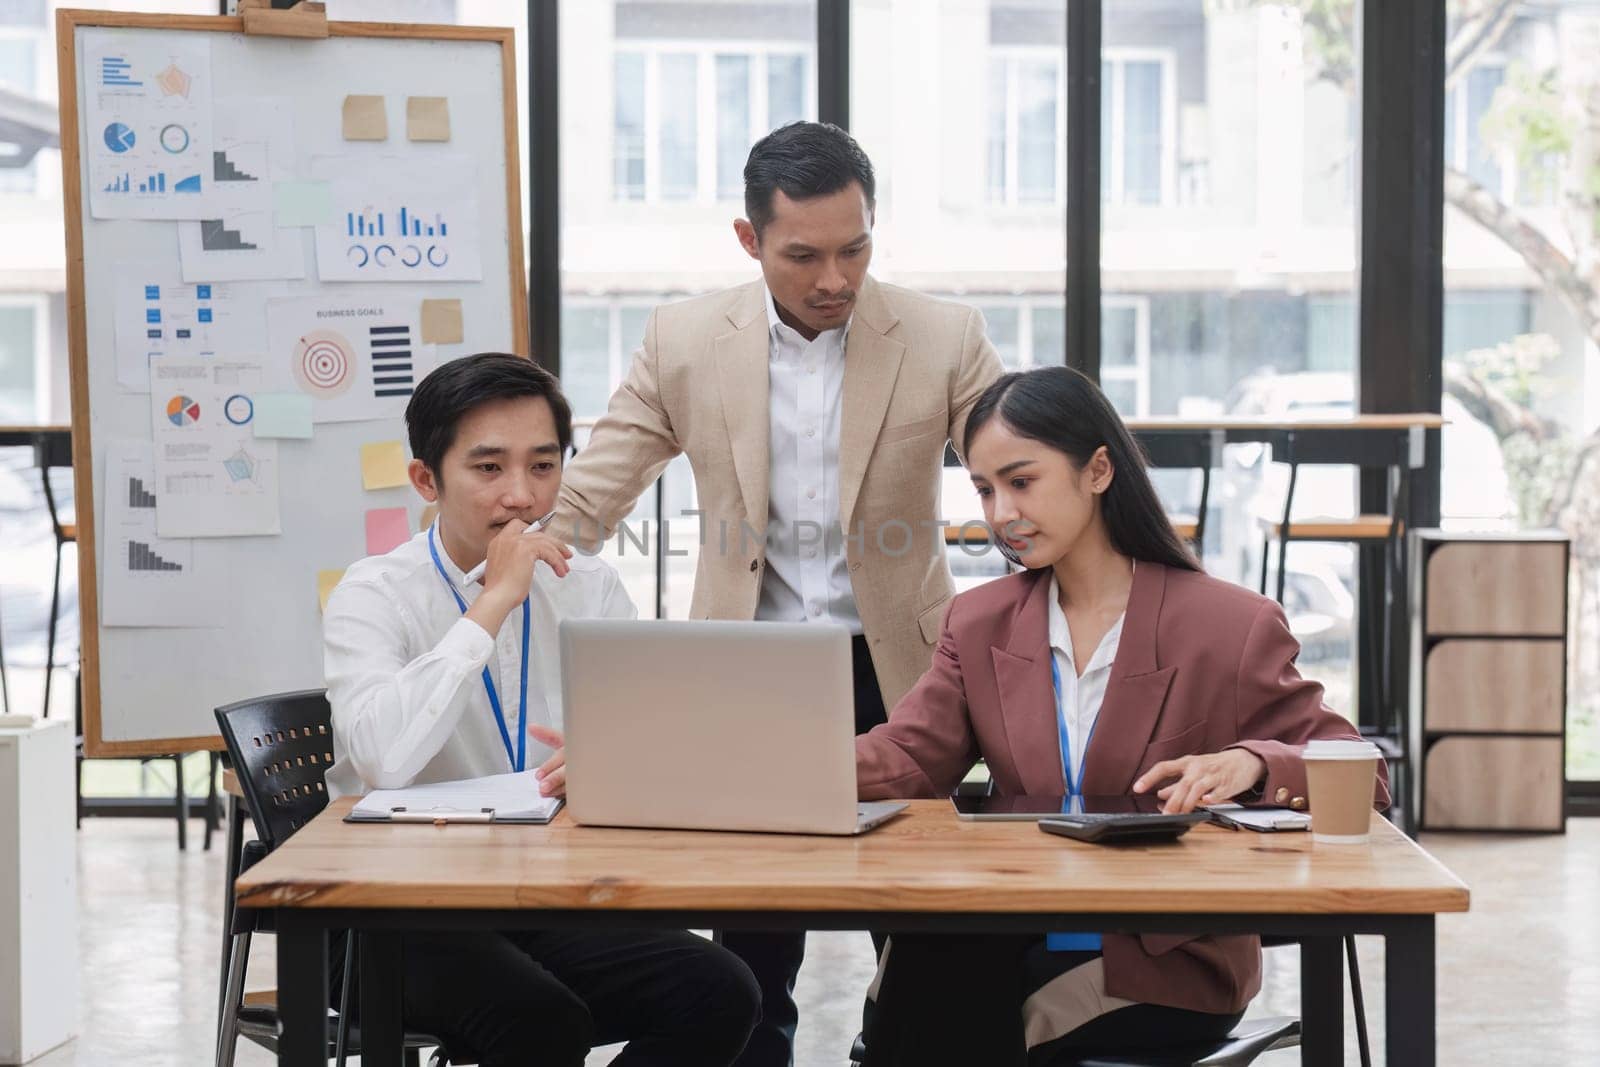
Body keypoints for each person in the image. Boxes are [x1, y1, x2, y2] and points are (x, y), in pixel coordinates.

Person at [553, 121, 1004, 1066]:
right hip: (746, 671)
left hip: (903, 669)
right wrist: (500, 559)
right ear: (750, 240)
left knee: (922, 924)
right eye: (804, 254)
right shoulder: (683, 339)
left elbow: (1020, 460)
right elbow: (597, 488)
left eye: (856, 248)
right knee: (754, 934)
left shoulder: (941, 334)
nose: (835, 278)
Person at [854, 366, 1391, 1066]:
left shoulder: (1229, 624)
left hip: (1161, 956)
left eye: (1022, 481)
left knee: (944, 1016)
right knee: (930, 966)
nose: (1000, 512)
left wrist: (1254, 760)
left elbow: (1364, 776)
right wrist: (784, 761)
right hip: (1010, 921)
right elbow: (911, 755)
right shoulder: (979, 620)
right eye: (985, 489)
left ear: (1098, 470)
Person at [322, 353, 760, 1067]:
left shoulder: (588, 588)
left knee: (721, 990)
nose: (521, 497)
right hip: (393, 910)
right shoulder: (374, 593)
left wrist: (613, 762)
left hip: (541, 898)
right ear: (426, 480)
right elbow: (383, 759)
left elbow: (646, 744)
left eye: (544, 466)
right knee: (542, 1021)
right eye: (488, 468)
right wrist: (492, 603)